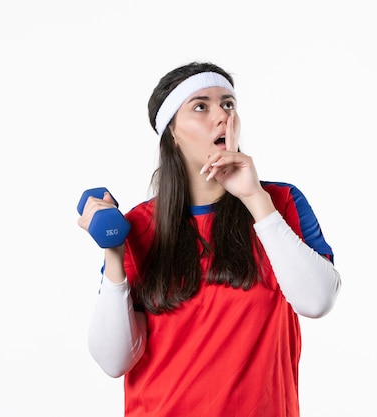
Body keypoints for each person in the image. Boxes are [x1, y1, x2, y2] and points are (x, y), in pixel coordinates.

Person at [77, 61, 341, 417]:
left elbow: (318, 301)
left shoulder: (280, 203)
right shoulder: (138, 226)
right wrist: (114, 254)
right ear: (172, 132)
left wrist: (254, 199)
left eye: (228, 104)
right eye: (201, 106)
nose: (222, 116)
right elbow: (113, 360)